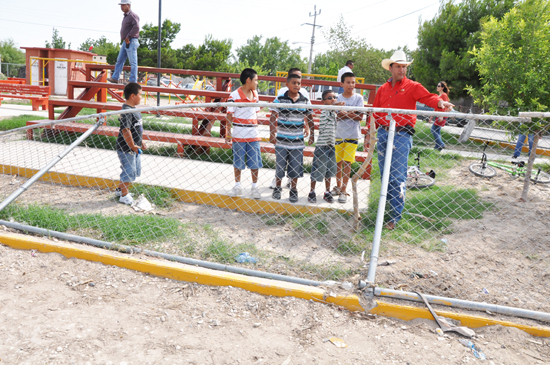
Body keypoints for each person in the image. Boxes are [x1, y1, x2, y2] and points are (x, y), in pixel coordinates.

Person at [373, 50, 453, 230]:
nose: (402, 70)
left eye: (404, 67)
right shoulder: (383, 89)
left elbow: (428, 97)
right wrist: (376, 129)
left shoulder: (413, 86)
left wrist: (440, 103)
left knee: (397, 176)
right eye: (399, 66)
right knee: (384, 174)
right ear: (391, 68)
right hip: (384, 133)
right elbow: (376, 110)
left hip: (401, 134)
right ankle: (384, 207)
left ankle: (395, 215)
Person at [270, 74, 312, 203]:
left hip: (297, 142)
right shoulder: (280, 99)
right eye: (293, 83)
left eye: (299, 83)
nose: (296, 85)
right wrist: (272, 134)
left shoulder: (304, 100)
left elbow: (310, 117)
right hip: (282, 140)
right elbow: (273, 116)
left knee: (295, 167)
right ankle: (277, 187)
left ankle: (293, 190)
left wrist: (312, 134)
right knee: (280, 166)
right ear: (287, 84)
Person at [226, 68, 262, 199]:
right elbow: (229, 115)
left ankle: (254, 187)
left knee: (255, 162)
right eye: (256, 80)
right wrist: (228, 132)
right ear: (248, 80)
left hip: (253, 135)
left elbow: (255, 113)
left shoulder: (256, 94)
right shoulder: (234, 95)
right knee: (238, 162)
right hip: (239, 135)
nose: (257, 83)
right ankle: (237, 186)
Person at [332, 72, 364, 204]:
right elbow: (336, 117)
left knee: (347, 162)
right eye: (348, 82)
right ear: (341, 84)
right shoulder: (336, 98)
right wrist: (351, 113)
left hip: (352, 135)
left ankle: (344, 189)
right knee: (338, 162)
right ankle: (338, 186)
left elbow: (360, 117)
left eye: (353, 82)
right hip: (338, 134)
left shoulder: (358, 98)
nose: (351, 85)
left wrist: (344, 113)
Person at [307, 90, 343, 203]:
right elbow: (333, 106)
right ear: (324, 102)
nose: (333, 99)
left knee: (330, 170)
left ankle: (327, 192)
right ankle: (312, 191)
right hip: (322, 146)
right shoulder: (325, 111)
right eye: (329, 98)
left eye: (334, 97)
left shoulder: (333, 112)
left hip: (331, 145)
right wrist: (337, 104)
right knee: (317, 169)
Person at [114, 82, 145, 205]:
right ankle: (124, 196)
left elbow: (137, 128)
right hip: (126, 148)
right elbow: (126, 130)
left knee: (132, 169)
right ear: (133, 96)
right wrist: (132, 146)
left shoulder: (133, 110)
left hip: (134, 147)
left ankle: (120, 190)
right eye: (140, 95)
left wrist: (141, 142)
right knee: (129, 171)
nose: (141, 97)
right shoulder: (126, 111)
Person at [108, 0, 140, 84]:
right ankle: (115, 77)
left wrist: (128, 36)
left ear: (128, 5)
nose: (121, 7)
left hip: (131, 40)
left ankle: (133, 80)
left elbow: (136, 27)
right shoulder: (126, 16)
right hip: (126, 41)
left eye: (123, 5)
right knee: (120, 60)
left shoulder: (132, 16)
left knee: (133, 62)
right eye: (121, 5)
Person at [430, 81, 451, 151]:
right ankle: (437, 146)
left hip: (441, 115)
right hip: (438, 115)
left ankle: (441, 144)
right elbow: (436, 108)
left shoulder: (444, 95)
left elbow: (445, 106)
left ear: (442, 88)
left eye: (439, 86)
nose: (437, 87)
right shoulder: (439, 96)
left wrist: (441, 116)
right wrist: (431, 117)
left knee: (433, 130)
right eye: (437, 85)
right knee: (437, 131)